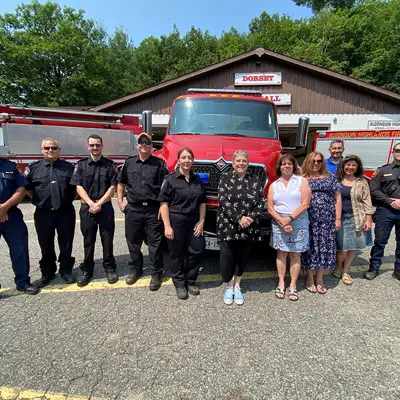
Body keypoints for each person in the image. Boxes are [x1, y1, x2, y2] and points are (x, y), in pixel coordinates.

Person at [117, 132, 169, 291]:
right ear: (137, 145)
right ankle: (136, 268)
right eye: (141, 142)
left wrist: (163, 206)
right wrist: (120, 201)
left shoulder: (159, 164)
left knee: (155, 243)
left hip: (153, 209)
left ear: (152, 146)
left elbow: (166, 187)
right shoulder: (129, 163)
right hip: (133, 208)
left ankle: (156, 272)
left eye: (147, 142)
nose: (144, 144)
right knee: (133, 241)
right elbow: (121, 183)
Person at [25, 138, 76, 287]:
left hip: (65, 211)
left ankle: (66, 270)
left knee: (66, 242)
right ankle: (47, 272)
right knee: (45, 243)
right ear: (42, 150)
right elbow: (27, 189)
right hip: (43, 212)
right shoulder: (34, 168)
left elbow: (75, 189)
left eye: (53, 148)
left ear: (59, 150)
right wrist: (40, 201)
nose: (50, 151)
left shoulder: (69, 168)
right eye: (47, 148)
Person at [70, 134, 119, 287]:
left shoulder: (110, 165)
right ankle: (87, 270)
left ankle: (110, 267)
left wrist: (99, 203)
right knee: (88, 240)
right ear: (88, 147)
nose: (95, 148)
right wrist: (91, 203)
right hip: (87, 208)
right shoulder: (81, 165)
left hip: (105, 208)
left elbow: (113, 187)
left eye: (98, 145)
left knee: (107, 239)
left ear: (102, 146)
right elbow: (78, 186)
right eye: (92, 145)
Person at [217, 150, 264, 305]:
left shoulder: (255, 180)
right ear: (233, 163)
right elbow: (223, 200)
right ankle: (228, 285)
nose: (241, 164)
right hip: (228, 225)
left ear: (248, 163)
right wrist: (238, 218)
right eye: (238, 161)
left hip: (248, 226)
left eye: (244, 161)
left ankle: (237, 285)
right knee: (226, 256)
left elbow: (260, 202)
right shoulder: (225, 178)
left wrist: (249, 218)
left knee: (241, 257)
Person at [159, 148, 206, 300]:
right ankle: (179, 283)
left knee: (197, 250)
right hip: (176, 220)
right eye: (183, 157)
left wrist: (202, 221)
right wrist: (167, 226)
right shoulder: (171, 179)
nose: (186, 160)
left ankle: (191, 280)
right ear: (178, 160)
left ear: (193, 160)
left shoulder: (197, 180)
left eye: (189, 158)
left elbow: (202, 203)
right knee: (176, 253)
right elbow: (164, 204)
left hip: (194, 221)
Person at [268, 154, 311, 301]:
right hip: (279, 222)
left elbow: (305, 203)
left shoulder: (302, 181)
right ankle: (281, 282)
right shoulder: (274, 185)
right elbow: (270, 207)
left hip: (298, 221)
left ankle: (292, 285)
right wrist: (282, 221)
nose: (286, 166)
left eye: (289, 164)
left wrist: (290, 219)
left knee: (295, 254)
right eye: (283, 164)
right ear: (279, 167)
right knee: (282, 253)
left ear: (294, 166)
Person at [301, 151, 342, 294]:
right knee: (311, 248)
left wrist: (337, 218)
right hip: (308, 219)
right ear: (308, 162)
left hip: (327, 220)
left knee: (324, 248)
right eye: (313, 161)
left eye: (319, 161)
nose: (316, 163)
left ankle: (320, 278)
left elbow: (337, 198)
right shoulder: (302, 178)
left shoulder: (330, 177)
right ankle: (310, 278)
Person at [0, 157, 39, 294]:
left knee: (20, 250)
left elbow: (21, 189)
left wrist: (5, 207)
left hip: (12, 215)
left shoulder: (10, 166)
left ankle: (23, 282)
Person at [333, 155, 373, 285]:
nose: (350, 167)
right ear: (343, 166)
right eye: (348, 165)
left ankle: (345, 271)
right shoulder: (336, 180)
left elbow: (367, 202)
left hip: (357, 218)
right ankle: (338, 265)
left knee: (353, 247)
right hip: (341, 218)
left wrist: (368, 219)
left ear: (357, 167)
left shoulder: (362, 182)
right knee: (343, 248)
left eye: (353, 165)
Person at [366, 142, 400, 281]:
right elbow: (374, 189)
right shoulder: (383, 170)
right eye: (397, 150)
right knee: (380, 241)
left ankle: (398, 270)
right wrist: (390, 201)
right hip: (385, 210)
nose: (399, 152)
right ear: (393, 152)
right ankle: (374, 267)